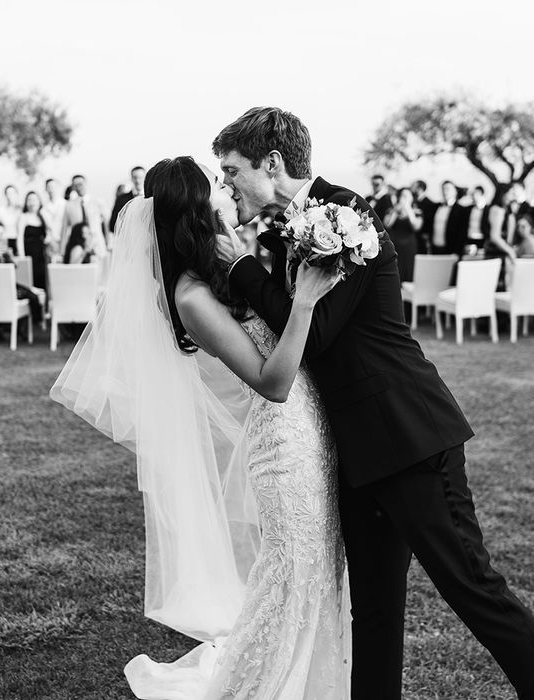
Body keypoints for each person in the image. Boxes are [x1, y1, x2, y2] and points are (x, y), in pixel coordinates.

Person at [215, 106, 534, 700]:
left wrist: (239, 270)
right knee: (374, 613)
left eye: (232, 170)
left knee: (474, 590)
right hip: (357, 454)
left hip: (410, 435)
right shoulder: (289, 230)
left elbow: (317, 330)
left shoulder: (346, 214)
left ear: (273, 163)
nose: (226, 183)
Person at [52, 155, 348, 699]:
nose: (227, 194)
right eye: (217, 188)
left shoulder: (225, 266)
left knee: (317, 571)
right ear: (193, 212)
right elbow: (273, 382)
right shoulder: (191, 297)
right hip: (285, 443)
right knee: (290, 575)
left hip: (315, 433)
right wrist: (304, 302)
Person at [0, 221, 42, 323]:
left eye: (1, 234)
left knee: (32, 295)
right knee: (31, 296)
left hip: (6, 286)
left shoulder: (3, 249)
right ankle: (32, 324)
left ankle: (25, 327)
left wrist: (9, 256)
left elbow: (14, 266)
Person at [59, 174, 107, 258]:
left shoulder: (97, 202)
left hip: (97, 244)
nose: (78, 187)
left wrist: (109, 241)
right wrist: (62, 249)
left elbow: (107, 223)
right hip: (78, 247)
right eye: (75, 185)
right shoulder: (69, 205)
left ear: (86, 183)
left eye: (80, 184)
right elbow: (64, 228)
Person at [383, 187, 422, 282]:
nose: (405, 198)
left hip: (409, 246)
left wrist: (408, 210)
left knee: (409, 270)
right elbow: (387, 225)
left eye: (407, 196)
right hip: (394, 245)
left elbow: (416, 227)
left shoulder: (417, 212)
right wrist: (396, 211)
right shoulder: (391, 210)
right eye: (403, 196)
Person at [17, 191, 51, 291]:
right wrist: (22, 257)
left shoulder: (42, 216)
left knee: (43, 281)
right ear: (26, 202)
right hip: (29, 254)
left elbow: (50, 231)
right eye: (30, 199)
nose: (32, 202)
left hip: (41, 255)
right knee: (31, 282)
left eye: (35, 199)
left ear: (39, 201)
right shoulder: (24, 217)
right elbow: (19, 238)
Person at [432, 180, 469, 255]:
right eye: (443, 189)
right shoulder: (435, 208)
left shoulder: (462, 210)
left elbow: (462, 233)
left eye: (447, 189)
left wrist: (456, 251)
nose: (445, 191)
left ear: (455, 191)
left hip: (451, 250)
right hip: (435, 249)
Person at [109, 165, 145, 233]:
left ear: (145, 178)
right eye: (135, 177)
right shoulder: (121, 199)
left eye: (140, 177)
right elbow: (112, 225)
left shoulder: (152, 198)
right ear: (131, 178)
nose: (137, 181)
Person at [42, 178, 67, 260]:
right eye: (49, 187)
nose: (51, 189)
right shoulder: (43, 208)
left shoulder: (65, 204)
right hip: (50, 244)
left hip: (64, 241)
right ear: (46, 189)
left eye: (53, 187)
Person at [0, 184, 23, 255]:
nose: (10, 196)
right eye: (8, 193)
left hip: (19, 241)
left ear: (17, 194)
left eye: (12, 193)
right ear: (5, 195)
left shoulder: (21, 210)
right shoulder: (1, 211)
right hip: (5, 241)